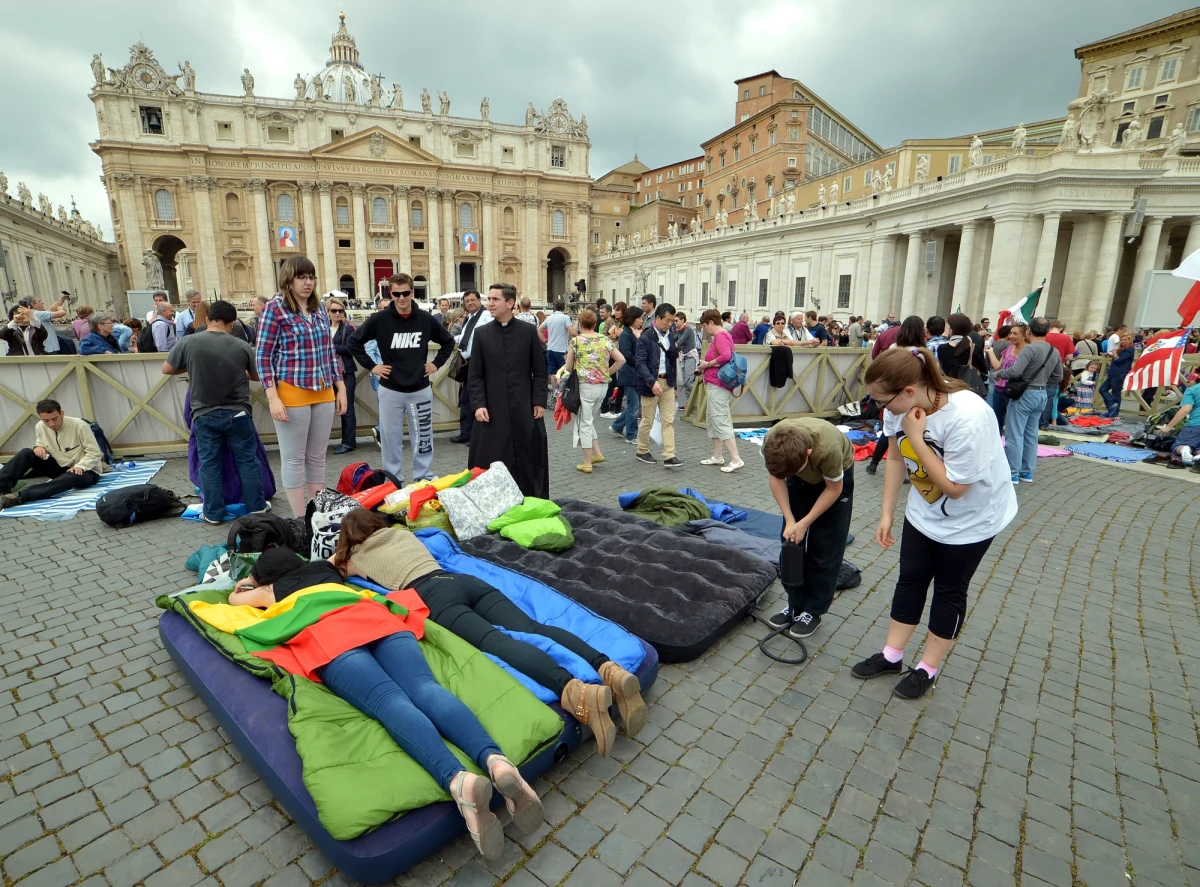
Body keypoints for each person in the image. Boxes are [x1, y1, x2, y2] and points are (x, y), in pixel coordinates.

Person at [225, 547, 543, 860]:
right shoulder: (324, 569)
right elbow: (348, 563)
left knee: (389, 702)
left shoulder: (272, 590)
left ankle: (459, 781)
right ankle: (496, 761)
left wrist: (249, 584)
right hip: (375, 619)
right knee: (424, 687)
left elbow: (234, 599)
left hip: (330, 637)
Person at [334, 508, 646, 756]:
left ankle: (575, 692)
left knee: (495, 642)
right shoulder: (402, 535)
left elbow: (334, 565)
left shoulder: (357, 557)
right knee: (533, 627)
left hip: (431, 596)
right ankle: (609, 669)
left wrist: (344, 550)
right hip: (461, 580)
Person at [850, 347, 1016, 698]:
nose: (881, 409)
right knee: (910, 579)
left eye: (882, 401)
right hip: (924, 512)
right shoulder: (899, 410)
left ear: (909, 391)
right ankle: (892, 655)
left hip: (972, 520)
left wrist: (915, 436)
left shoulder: (969, 416)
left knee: (948, 590)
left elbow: (955, 488)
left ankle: (927, 668)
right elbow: (895, 458)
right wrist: (887, 512)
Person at [256, 256, 346, 517]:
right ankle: (299, 518)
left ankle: (316, 515)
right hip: (292, 390)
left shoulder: (319, 308)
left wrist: (340, 387)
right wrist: (273, 397)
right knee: (294, 458)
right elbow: (262, 356)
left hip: (324, 390)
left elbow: (329, 352)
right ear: (289, 279)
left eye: (311, 277)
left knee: (317, 456)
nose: (308, 282)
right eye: (302, 277)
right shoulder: (275, 308)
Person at [163, 300, 267, 524]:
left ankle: (213, 513)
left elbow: (167, 368)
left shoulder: (189, 341)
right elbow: (257, 376)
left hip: (204, 413)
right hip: (237, 412)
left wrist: (191, 365)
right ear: (231, 323)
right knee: (248, 461)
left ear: (209, 320)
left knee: (209, 463)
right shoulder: (241, 345)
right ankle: (257, 507)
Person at [349, 274, 454, 485]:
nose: (401, 298)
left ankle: (423, 476)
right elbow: (354, 342)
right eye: (396, 294)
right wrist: (373, 366)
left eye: (405, 293)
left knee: (423, 436)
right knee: (390, 439)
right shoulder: (379, 320)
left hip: (420, 388)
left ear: (412, 292)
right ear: (391, 294)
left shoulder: (425, 319)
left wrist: (436, 364)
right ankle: (393, 478)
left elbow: (448, 342)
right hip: (390, 389)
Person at [763, 416, 854, 639]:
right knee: (791, 542)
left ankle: (813, 611)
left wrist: (806, 522)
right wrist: (792, 520)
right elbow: (776, 478)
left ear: (808, 455)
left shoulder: (828, 448)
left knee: (825, 546)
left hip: (833, 481)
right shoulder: (771, 443)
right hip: (795, 468)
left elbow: (833, 489)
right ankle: (794, 605)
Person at [468, 283, 550, 497]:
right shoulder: (482, 334)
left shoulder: (528, 332)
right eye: (489, 299)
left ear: (510, 303)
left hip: (524, 408)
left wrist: (539, 401)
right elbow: (474, 376)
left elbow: (540, 371)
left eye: (495, 299)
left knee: (527, 458)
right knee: (491, 459)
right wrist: (478, 405)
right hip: (492, 411)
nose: (490, 304)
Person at [992, 317, 1062, 484]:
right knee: (1031, 434)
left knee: (1014, 433)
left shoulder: (1029, 349)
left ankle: (1012, 472)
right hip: (1041, 394)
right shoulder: (1054, 351)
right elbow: (1058, 376)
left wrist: (999, 373)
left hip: (1024, 395)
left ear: (1029, 331)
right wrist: (1042, 381)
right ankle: (1027, 472)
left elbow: (1015, 371)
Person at [0, 399, 105, 509]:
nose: (51, 424)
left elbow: (94, 452)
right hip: (60, 468)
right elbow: (41, 443)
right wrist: (39, 447)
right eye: (46, 421)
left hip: (86, 472)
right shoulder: (40, 426)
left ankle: (17, 498)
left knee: (71, 476)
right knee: (27, 452)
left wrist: (80, 466)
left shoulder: (80, 425)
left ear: (62, 413)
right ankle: (1, 488)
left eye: (55, 419)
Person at [563, 308, 625, 473]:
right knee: (588, 420)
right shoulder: (604, 340)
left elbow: (569, 368)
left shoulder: (576, 342)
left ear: (580, 323)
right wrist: (607, 372)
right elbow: (621, 360)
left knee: (584, 423)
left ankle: (587, 462)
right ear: (595, 323)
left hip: (584, 386)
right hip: (602, 386)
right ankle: (596, 454)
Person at [866, 317, 927, 475]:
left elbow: (876, 358)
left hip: (894, 397)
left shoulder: (894, 347)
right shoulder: (921, 352)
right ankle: (910, 470)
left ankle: (874, 463)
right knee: (902, 434)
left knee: (890, 432)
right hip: (906, 400)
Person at [635, 303, 683, 468]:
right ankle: (642, 450)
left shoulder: (671, 334)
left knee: (668, 420)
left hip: (667, 382)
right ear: (658, 319)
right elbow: (640, 363)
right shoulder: (645, 337)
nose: (670, 324)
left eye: (672, 321)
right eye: (667, 320)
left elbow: (672, 360)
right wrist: (651, 381)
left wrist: (674, 385)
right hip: (651, 383)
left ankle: (669, 455)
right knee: (647, 420)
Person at [695, 309, 744, 473]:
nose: (705, 329)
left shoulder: (721, 336)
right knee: (714, 418)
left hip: (718, 384)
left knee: (720, 418)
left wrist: (707, 365)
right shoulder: (723, 335)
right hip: (717, 383)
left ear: (710, 322)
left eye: (705, 325)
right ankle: (717, 456)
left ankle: (736, 458)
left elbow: (725, 356)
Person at [448, 290, 491, 444]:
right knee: (466, 398)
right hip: (468, 363)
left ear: (479, 300)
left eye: (473, 300)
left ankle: (475, 436)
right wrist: (449, 339)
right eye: (467, 301)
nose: (470, 303)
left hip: (478, 363)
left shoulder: (486, 316)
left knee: (474, 398)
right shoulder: (471, 318)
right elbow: (466, 337)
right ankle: (466, 433)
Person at [327, 297, 358, 454]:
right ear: (328, 312)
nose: (337, 313)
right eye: (334, 310)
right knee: (324, 409)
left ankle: (348, 442)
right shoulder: (322, 327)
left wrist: (329, 346)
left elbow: (350, 349)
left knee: (347, 408)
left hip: (345, 373)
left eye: (340, 310)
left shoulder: (349, 328)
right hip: (325, 374)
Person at [609, 306, 643, 444]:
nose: (641, 321)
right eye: (639, 318)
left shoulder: (633, 332)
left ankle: (617, 426)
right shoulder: (626, 334)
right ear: (632, 318)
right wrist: (641, 362)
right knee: (634, 405)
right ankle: (631, 435)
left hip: (635, 373)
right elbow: (627, 355)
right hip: (629, 373)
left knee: (633, 404)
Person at [985, 324, 1024, 432]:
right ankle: (996, 443)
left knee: (1011, 420)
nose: (1011, 336)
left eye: (1015, 333)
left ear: (1024, 335)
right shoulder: (1009, 348)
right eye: (1010, 333)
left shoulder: (1027, 351)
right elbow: (998, 366)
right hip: (1000, 388)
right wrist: (991, 352)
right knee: (996, 418)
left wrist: (1000, 374)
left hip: (1015, 390)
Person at [1156, 376, 1200, 465]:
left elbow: (1186, 409)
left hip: (1195, 424)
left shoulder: (1192, 390)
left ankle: (1184, 450)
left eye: (1189, 380)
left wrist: (1168, 427)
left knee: (1178, 446)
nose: (1188, 383)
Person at [538, 299, 574, 400]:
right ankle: (562, 393)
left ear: (554, 307)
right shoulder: (565, 318)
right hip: (561, 349)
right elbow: (572, 331)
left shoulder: (549, 318)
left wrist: (545, 341)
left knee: (553, 372)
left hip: (550, 348)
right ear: (564, 307)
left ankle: (555, 393)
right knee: (564, 372)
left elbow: (539, 330)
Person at [1098, 334, 1134, 417]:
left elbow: (1119, 360)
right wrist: (1110, 355)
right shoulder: (1121, 349)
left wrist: (1114, 353)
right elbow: (1116, 357)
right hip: (1113, 372)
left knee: (1116, 393)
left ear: (1129, 340)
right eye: (1122, 340)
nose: (1123, 341)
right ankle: (1112, 407)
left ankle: (1114, 412)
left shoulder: (1130, 349)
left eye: (1125, 340)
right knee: (1102, 389)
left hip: (1120, 373)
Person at [674, 312, 700, 408]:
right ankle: (688, 403)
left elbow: (679, 342)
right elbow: (673, 339)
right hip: (684, 356)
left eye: (676, 320)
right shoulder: (678, 330)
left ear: (682, 320)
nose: (675, 322)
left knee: (689, 381)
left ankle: (697, 399)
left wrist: (669, 347)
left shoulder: (688, 329)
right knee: (685, 381)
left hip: (690, 356)